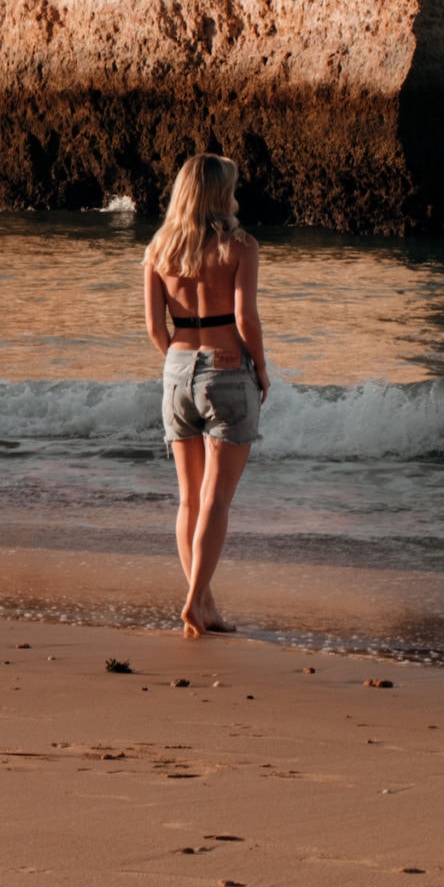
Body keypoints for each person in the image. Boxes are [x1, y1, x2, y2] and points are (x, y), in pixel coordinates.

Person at [143, 153, 270, 638]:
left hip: (176, 369)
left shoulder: (158, 248)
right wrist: (260, 366)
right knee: (217, 501)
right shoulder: (239, 246)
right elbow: (245, 321)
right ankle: (196, 602)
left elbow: (156, 328)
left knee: (188, 501)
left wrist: (178, 360)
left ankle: (204, 602)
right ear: (221, 192)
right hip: (227, 370)